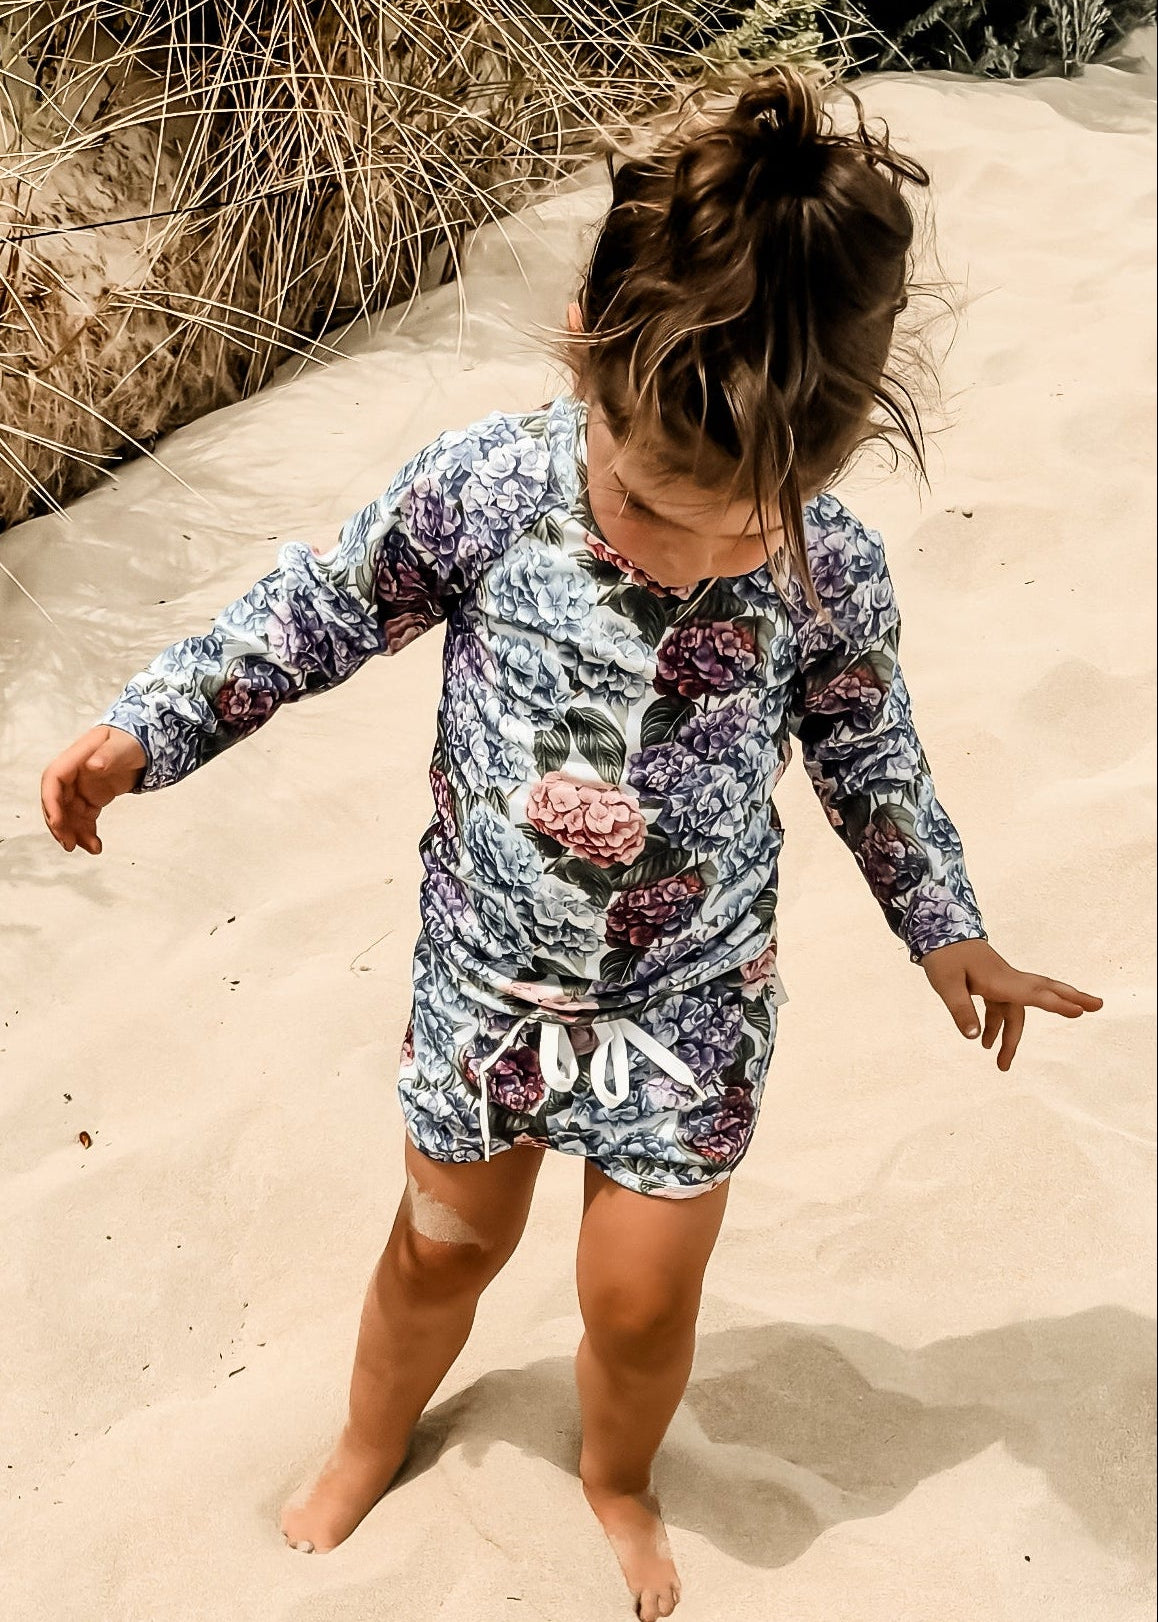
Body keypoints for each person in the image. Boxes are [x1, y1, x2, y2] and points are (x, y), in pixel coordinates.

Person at [40, 62, 1101, 1622]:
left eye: (728, 521)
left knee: (638, 1298)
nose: (679, 550)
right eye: (642, 500)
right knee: (443, 1245)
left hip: (689, 1001)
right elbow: (320, 609)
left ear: (821, 464)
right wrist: (152, 726)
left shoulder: (826, 572)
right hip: (488, 984)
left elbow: (870, 753)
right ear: (584, 360)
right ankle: (367, 1432)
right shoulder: (488, 492)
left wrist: (949, 927)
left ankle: (615, 1474)